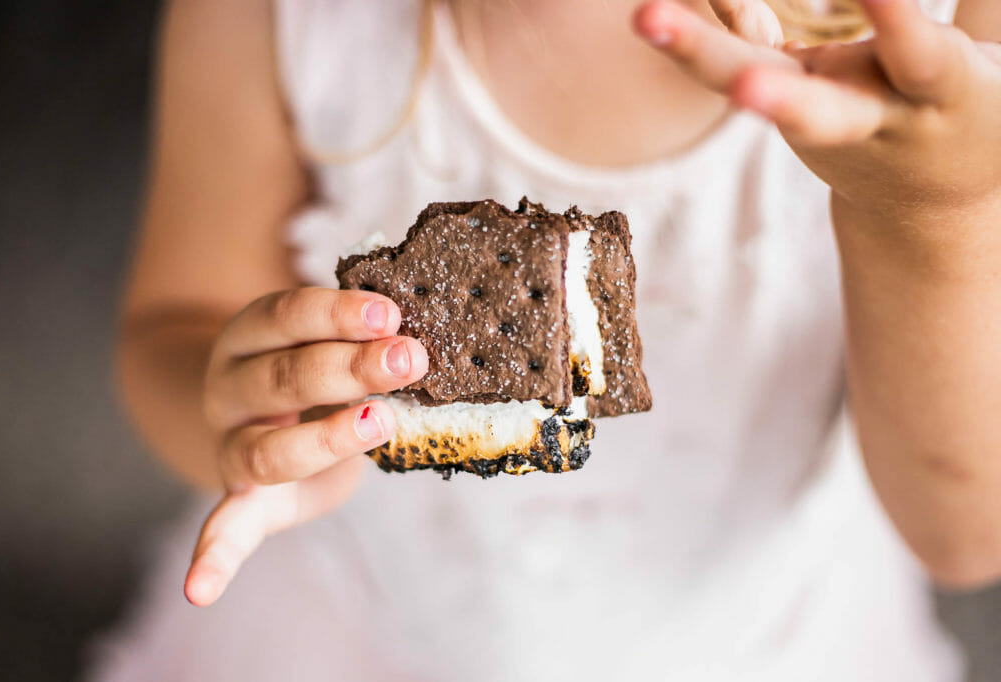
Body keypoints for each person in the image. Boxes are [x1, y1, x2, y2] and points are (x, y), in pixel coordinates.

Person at [90, 0, 1001, 679]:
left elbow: (964, 535)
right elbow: (176, 326)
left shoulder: (941, 51)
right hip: (353, 625)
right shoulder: (270, 19)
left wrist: (932, 213)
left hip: (766, 636)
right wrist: (251, 414)